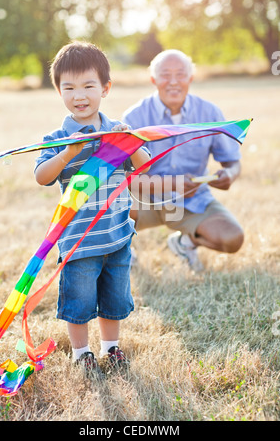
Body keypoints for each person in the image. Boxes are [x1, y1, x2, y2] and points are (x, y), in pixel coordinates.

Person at [34, 41, 150, 379]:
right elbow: (43, 176)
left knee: (114, 298)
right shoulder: (57, 138)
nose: (79, 95)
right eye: (68, 87)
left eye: (88, 85)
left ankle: (110, 347)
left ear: (105, 88)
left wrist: (132, 143)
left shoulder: (116, 132)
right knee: (79, 302)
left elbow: (143, 168)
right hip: (79, 240)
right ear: (59, 91)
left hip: (116, 235)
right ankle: (81, 353)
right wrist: (69, 152)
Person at [122, 49, 244, 272]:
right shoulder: (134, 118)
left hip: (192, 202)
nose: (173, 82)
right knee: (104, 203)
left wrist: (230, 175)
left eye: (180, 74)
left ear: (191, 78)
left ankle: (183, 243)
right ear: (153, 79)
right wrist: (172, 184)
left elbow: (233, 162)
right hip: (143, 203)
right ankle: (123, 249)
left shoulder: (210, 113)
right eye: (165, 75)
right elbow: (124, 179)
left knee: (233, 238)